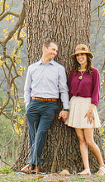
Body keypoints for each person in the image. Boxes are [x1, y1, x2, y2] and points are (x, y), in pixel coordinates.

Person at [21, 38, 69, 174]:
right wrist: (27, 106)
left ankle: (31, 164)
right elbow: (27, 89)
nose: (55, 53)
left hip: (50, 105)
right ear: (44, 49)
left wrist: (65, 108)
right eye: (53, 49)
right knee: (32, 135)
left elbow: (63, 90)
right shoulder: (32, 68)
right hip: (34, 104)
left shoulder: (59, 69)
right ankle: (36, 166)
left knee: (41, 133)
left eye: (56, 51)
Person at [66, 43, 105, 175]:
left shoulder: (94, 72)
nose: (80, 57)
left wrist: (91, 107)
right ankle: (87, 169)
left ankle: (102, 166)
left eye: (82, 54)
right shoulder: (73, 72)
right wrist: (66, 108)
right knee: (81, 139)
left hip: (88, 105)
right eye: (78, 55)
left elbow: (96, 91)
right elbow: (69, 91)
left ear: (87, 56)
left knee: (89, 140)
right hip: (75, 105)